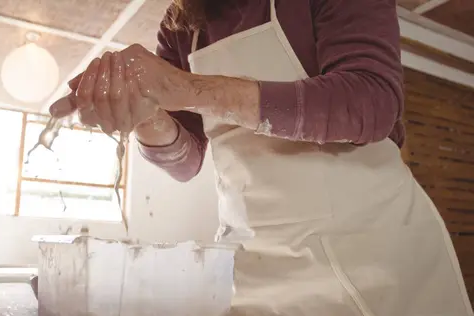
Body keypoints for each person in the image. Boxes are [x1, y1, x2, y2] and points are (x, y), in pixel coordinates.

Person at [51, 0, 474, 314]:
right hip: (254, 259)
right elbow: (186, 160)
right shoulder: (181, 23)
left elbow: (371, 102)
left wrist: (192, 89)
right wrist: (146, 116)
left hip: (369, 250)